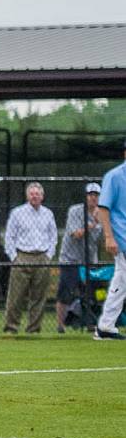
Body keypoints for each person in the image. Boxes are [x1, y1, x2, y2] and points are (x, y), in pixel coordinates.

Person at [2, 182, 58, 334]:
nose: (35, 196)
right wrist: (14, 257)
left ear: (42, 196)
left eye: (37, 194)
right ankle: (11, 327)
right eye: (32, 193)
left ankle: (33, 329)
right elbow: (9, 237)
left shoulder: (48, 214)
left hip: (42, 257)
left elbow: (53, 236)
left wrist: (49, 255)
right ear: (27, 195)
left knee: (39, 296)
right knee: (16, 295)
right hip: (22, 256)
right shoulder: (17, 213)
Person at [57, 181, 103, 333]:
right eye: (90, 195)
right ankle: (60, 325)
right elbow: (76, 234)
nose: (93, 198)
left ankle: (91, 323)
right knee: (66, 292)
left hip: (90, 260)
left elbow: (101, 240)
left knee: (91, 294)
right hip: (70, 259)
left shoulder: (103, 213)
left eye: (96, 195)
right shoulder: (75, 211)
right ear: (86, 196)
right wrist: (94, 223)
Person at [94, 139, 126, 340]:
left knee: (121, 279)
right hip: (122, 236)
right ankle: (105, 326)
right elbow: (103, 208)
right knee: (121, 278)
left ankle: (105, 326)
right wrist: (109, 237)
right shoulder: (114, 176)